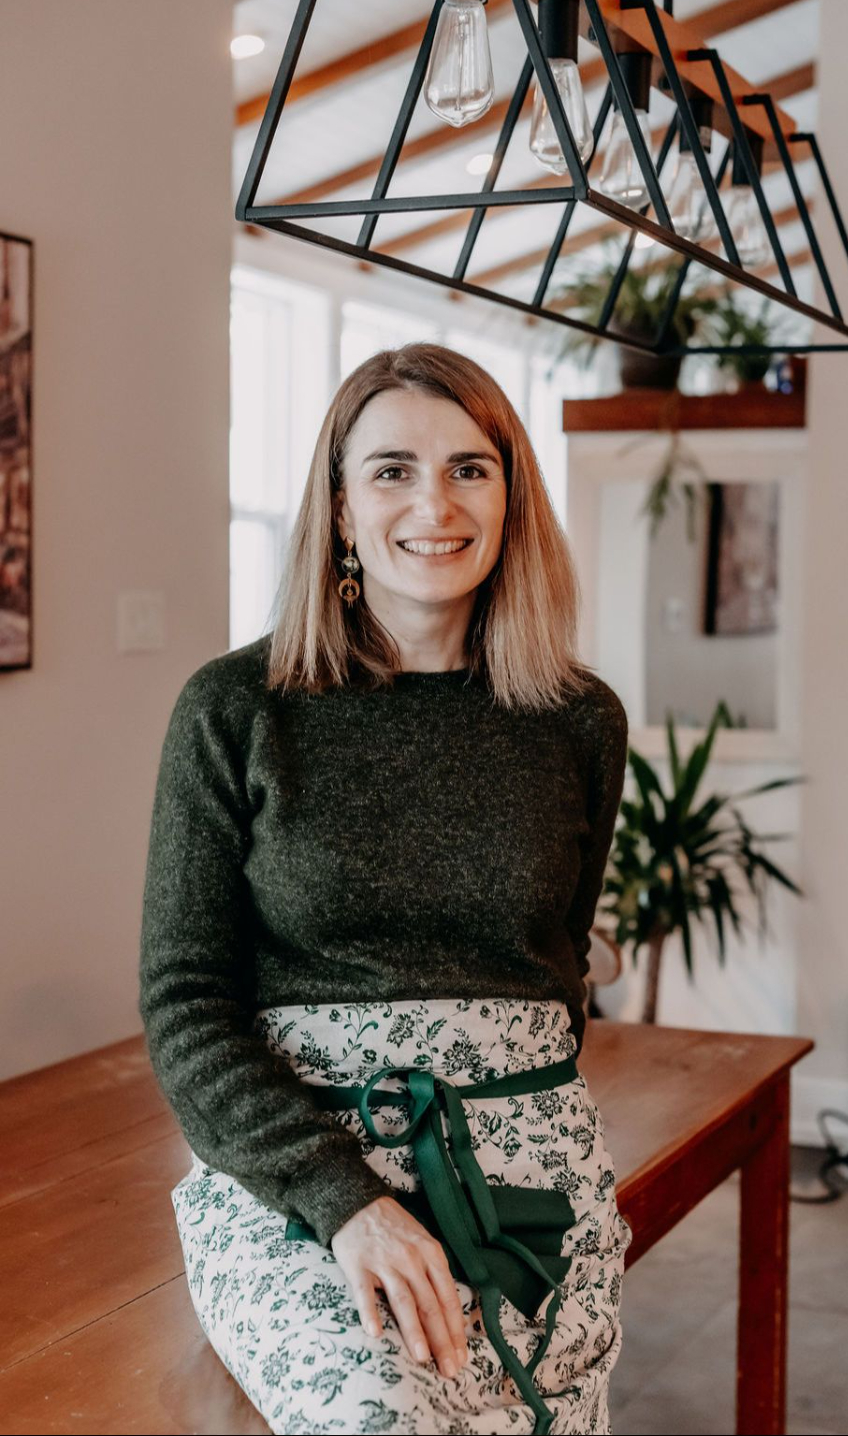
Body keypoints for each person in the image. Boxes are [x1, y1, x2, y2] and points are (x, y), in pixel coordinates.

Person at [139, 342, 632, 1435]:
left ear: (510, 498)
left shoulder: (578, 719)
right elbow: (185, 1002)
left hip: (533, 1176)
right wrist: (345, 1199)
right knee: (381, 1416)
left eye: (469, 468)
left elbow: (551, 973)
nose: (434, 504)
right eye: (392, 470)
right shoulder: (237, 709)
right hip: (300, 1180)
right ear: (342, 508)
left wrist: (522, 1142)